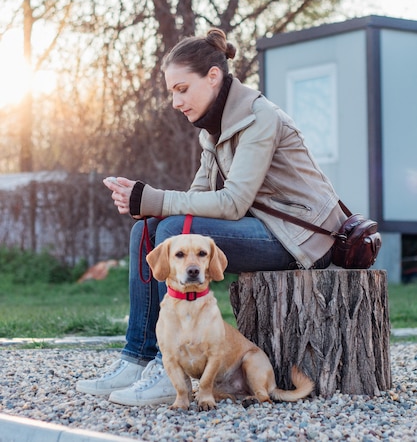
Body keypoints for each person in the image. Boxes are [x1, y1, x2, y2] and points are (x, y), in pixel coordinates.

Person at [76, 28, 346, 406]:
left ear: (213, 77)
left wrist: (157, 199)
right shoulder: (213, 128)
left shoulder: (259, 117)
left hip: (298, 237)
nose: (175, 101)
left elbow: (234, 202)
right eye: (172, 91)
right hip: (265, 226)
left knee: (169, 227)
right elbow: (198, 198)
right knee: (150, 231)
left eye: (182, 89)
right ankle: (138, 358)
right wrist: (146, 205)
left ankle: (165, 371)